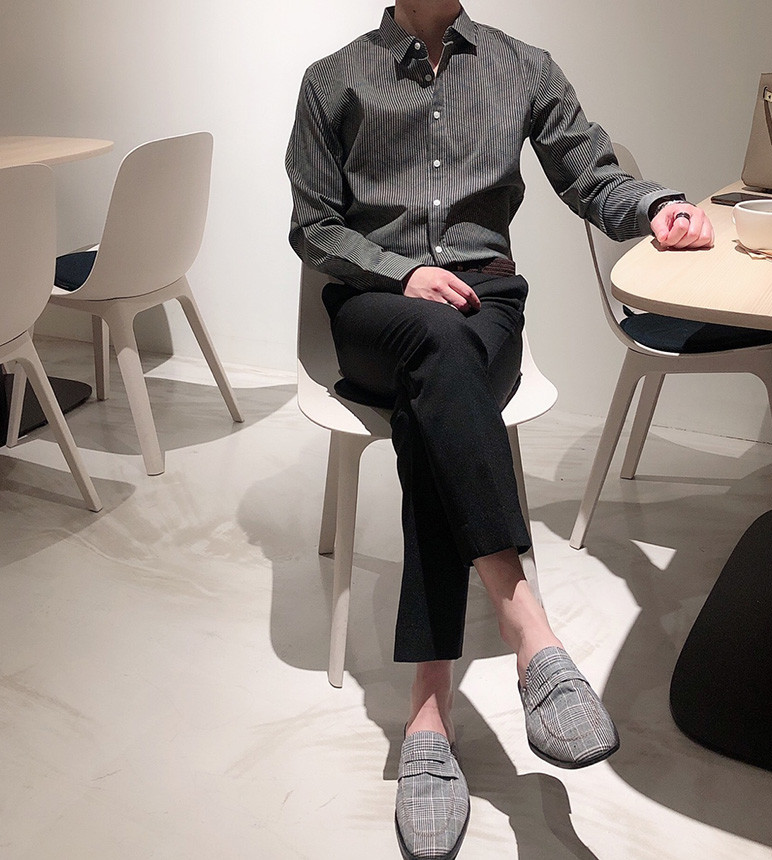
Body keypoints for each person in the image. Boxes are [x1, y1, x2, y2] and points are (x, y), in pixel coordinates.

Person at [286, 3, 713, 858]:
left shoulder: (524, 67)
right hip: (377, 310)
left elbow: (591, 174)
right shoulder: (333, 80)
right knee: (434, 354)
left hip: (486, 304)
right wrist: (402, 273)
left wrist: (656, 207)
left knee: (435, 400)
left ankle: (428, 716)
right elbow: (314, 225)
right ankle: (530, 633)